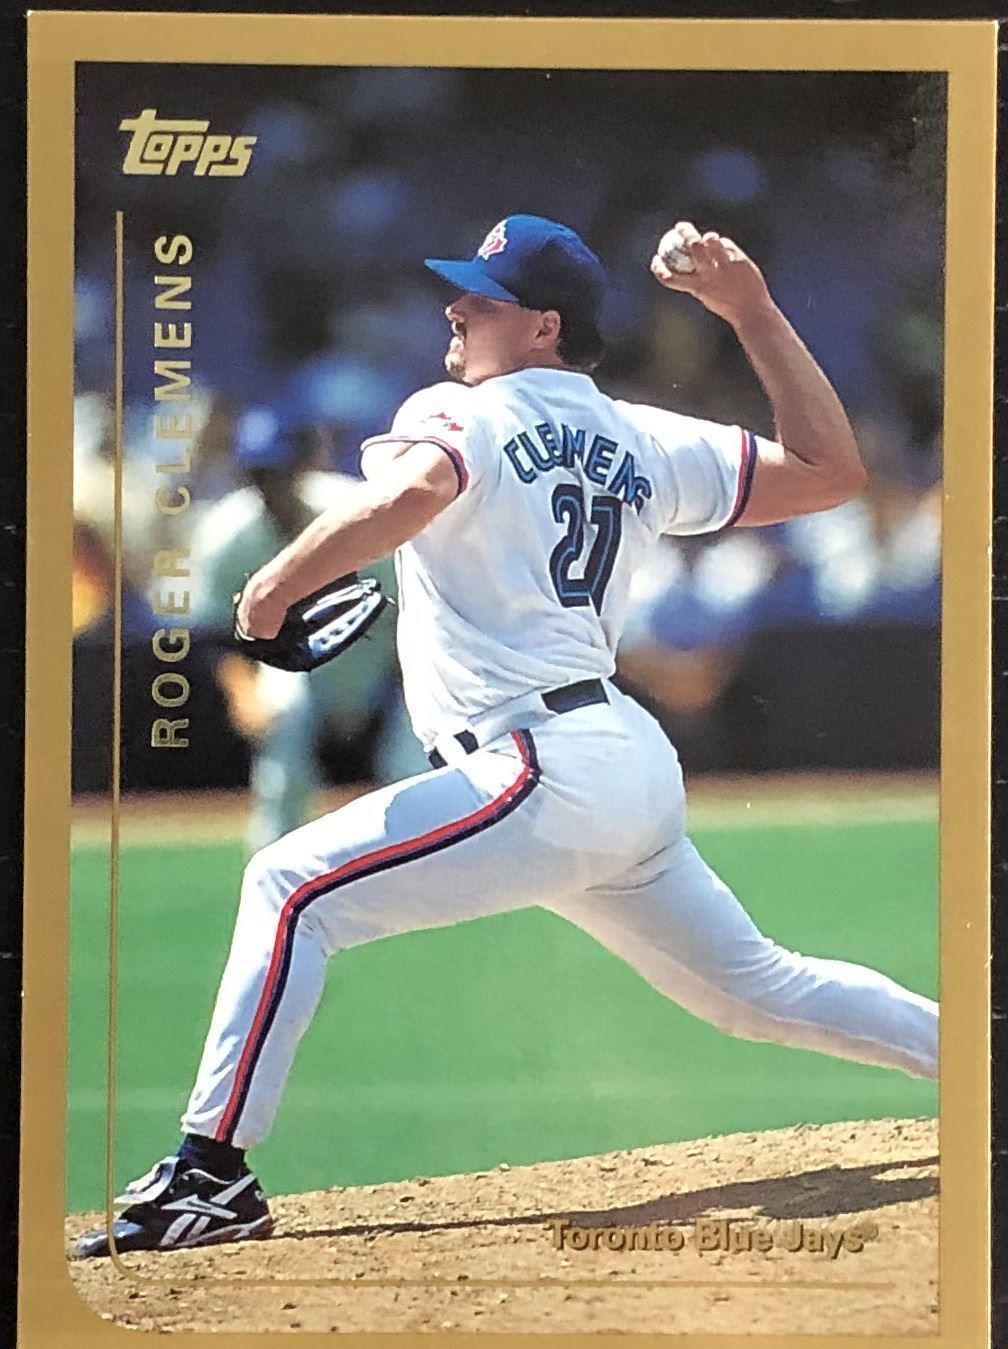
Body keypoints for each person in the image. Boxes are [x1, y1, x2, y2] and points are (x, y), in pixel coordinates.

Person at [75, 214, 938, 1258]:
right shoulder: (639, 435)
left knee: (287, 886)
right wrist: (752, 311)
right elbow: (829, 471)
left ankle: (210, 1177)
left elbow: (416, 489)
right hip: (616, 758)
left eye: (480, 298)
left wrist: (272, 588)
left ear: (542, 325)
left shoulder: (460, 409)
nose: (455, 307)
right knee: (759, 990)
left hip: (538, 765)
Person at [191, 406, 425, 853]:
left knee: (410, 768)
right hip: (293, 663)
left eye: (279, 470)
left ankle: (415, 865)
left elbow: (416, 605)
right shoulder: (228, 534)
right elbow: (214, 632)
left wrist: (413, 683)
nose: (271, 484)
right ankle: (275, 865)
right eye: (260, 473)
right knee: (283, 761)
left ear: (303, 465)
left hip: (381, 653)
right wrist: (241, 691)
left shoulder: (355, 510)